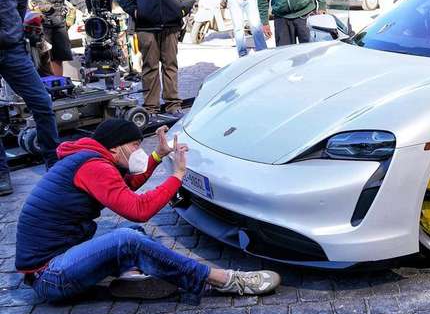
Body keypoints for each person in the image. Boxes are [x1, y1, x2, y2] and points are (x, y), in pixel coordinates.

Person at [15, 118, 280, 303]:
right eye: (135, 146)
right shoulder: (94, 167)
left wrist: (158, 156)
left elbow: (127, 184)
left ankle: (131, 277)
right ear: (116, 147)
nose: (139, 151)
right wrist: (177, 175)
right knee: (127, 239)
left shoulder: (91, 158)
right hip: (50, 276)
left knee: (131, 233)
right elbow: (139, 208)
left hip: (60, 259)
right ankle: (222, 279)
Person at [0, 0, 59, 195]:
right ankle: (2, 175)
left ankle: (54, 164)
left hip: (11, 48)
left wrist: (12, 28)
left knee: (42, 102)